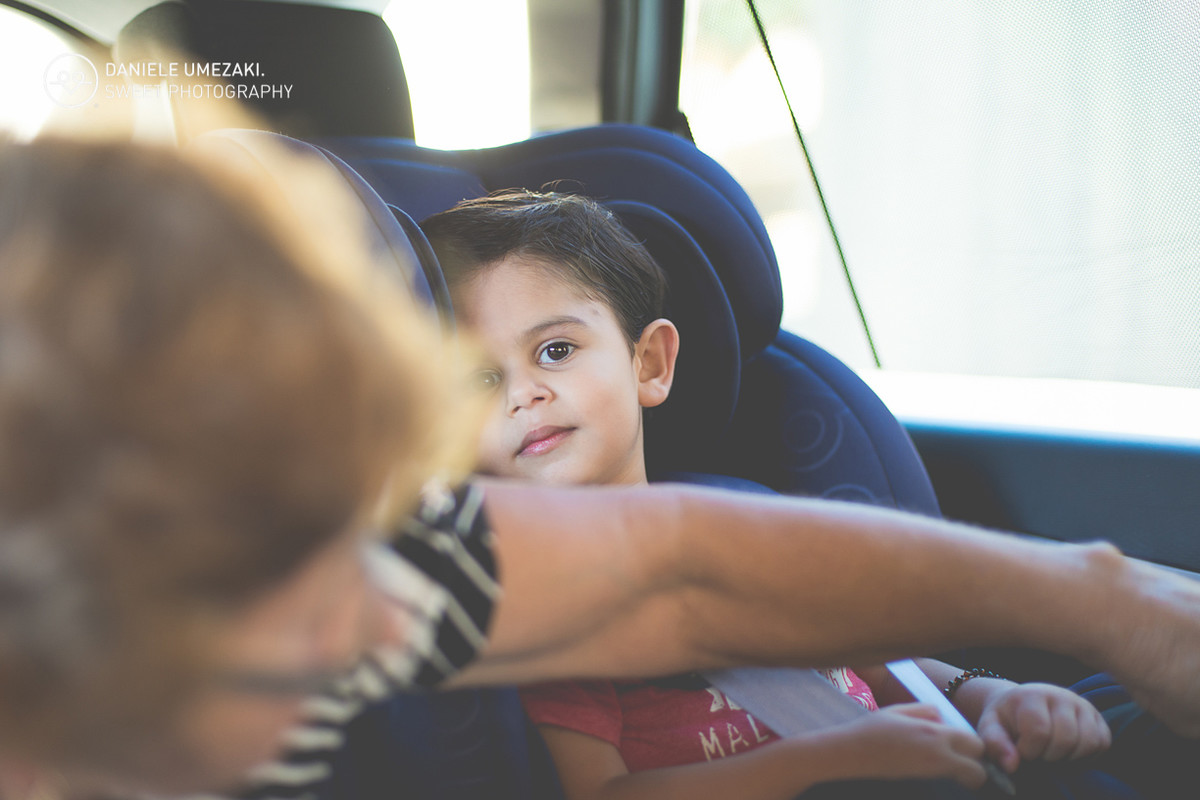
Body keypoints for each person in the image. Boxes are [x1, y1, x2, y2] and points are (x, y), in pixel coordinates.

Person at [2, 136, 1200, 800]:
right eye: (294, 564)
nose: (393, 609)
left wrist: (1113, 600)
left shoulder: (373, 587)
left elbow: (671, 569)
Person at [420, 190, 1126, 799]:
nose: (524, 394)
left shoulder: (744, 520)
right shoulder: (539, 609)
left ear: (650, 363)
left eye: (555, 351)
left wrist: (988, 694)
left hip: (924, 764)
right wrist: (833, 760)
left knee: (1126, 717)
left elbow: (880, 663)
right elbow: (599, 793)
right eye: (480, 381)